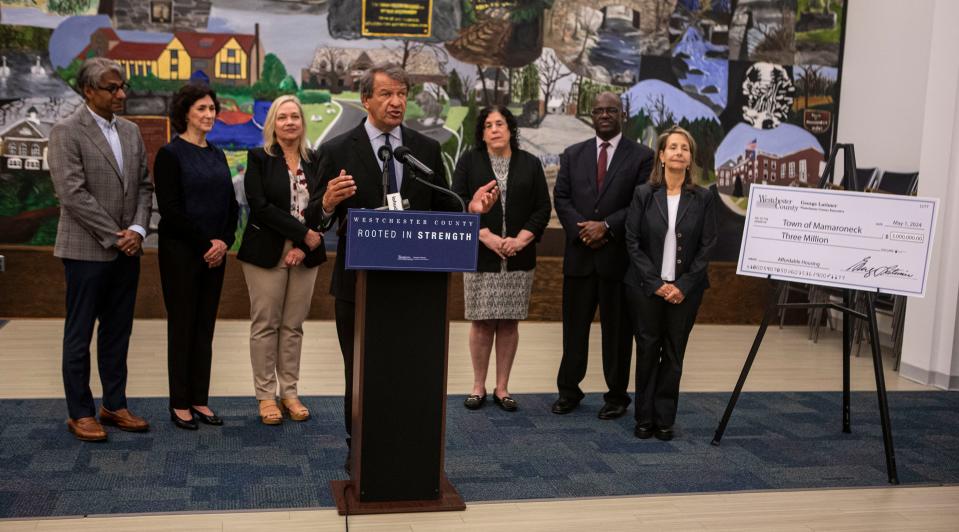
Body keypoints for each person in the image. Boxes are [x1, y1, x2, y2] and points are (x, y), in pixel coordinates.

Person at [317, 63, 498, 467]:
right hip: (358, 285)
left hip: (415, 287)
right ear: (366, 100)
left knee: (409, 368)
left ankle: (408, 444)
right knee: (361, 369)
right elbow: (316, 217)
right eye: (386, 94)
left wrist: (469, 210)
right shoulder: (336, 150)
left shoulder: (424, 149)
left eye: (402, 93)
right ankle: (360, 445)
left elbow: (441, 210)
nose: (397, 101)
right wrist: (327, 202)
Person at [47, 57, 153, 441]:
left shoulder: (131, 131)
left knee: (117, 332)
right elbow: (72, 195)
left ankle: (114, 404)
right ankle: (80, 412)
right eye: (112, 88)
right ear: (88, 91)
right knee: (79, 335)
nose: (121, 93)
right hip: (86, 252)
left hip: (128, 250)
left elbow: (144, 186)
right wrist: (117, 235)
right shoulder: (66, 132)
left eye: (122, 86)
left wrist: (139, 230)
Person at [551, 92, 654, 419]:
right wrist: (584, 230)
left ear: (622, 114)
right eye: (599, 111)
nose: (605, 115)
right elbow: (562, 197)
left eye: (611, 110)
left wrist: (607, 227)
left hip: (618, 262)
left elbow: (640, 202)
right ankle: (569, 391)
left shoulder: (642, 157)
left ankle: (616, 397)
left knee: (618, 335)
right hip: (580, 258)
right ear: (591, 115)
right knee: (574, 332)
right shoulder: (572, 154)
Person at [452, 106, 551, 412]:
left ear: (510, 129)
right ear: (481, 133)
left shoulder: (530, 164)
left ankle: (502, 387)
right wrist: (487, 236)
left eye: (501, 124)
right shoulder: (469, 162)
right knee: (482, 323)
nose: (495, 129)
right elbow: (457, 203)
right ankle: (478, 386)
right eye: (488, 125)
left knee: (509, 323)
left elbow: (542, 209)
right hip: (482, 254)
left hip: (518, 257)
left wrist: (520, 240)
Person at [237, 95, 326, 425]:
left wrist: (304, 244)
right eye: (282, 117)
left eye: (295, 117)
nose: (289, 122)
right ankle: (265, 396)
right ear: (273, 123)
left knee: (293, 327)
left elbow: (323, 205)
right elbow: (259, 206)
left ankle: (289, 392)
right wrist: (302, 234)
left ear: (303, 123)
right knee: (266, 325)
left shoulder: (316, 160)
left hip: (306, 253)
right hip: (265, 253)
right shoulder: (259, 158)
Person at [623, 126, 716, 441]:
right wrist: (655, 282)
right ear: (661, 156)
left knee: (674, 354)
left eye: (685, 149)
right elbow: (632, 241)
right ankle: (644, 417)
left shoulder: (702, 198)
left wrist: (683, 286)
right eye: (672, 147)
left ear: (690, 160)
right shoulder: (643, 194)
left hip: (685, 292)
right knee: (647, 349)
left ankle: (665, 419)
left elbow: (706, 247)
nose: (679, 152)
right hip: (646, 289)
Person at [154, 83, 238, 430]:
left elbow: (231, 205)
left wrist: (225, 242)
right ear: (185, 112)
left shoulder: (217, 154)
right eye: (201, 108)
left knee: (204, 328)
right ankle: (180, 404)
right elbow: (171, 211)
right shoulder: (170, 155)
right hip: (182, 254)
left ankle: (200, 400)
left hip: (215, 255)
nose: (208, 115)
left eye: (212, 109)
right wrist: (207, 243)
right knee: (183, 326)